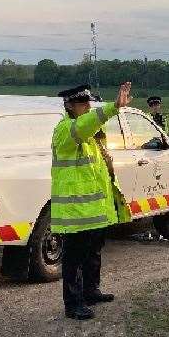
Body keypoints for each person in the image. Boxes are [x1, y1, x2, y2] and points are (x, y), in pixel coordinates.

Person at [52, 82, 133, 320]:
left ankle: (90, 291)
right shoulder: (67, 129)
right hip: (75, 212)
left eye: (88, 102)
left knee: (93, 253)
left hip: (93, 211)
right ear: (69, 106)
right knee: (74, 259)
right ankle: (73, 303)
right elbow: (85, 124)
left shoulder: (90, 138)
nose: (87, 107)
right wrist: (113, 107)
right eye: (82, 103)